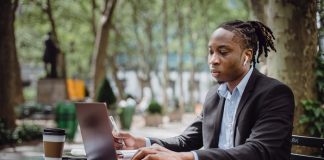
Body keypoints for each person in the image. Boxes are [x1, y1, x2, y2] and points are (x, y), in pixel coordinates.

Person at [113, 20, 295, 160]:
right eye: (211, 52)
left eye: (223, 52)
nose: (213, 60)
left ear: (246, 56)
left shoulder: (274, 93)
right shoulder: (214, 95)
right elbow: (187, 141)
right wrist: (141, 142)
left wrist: (188, 157)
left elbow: (258, 150)